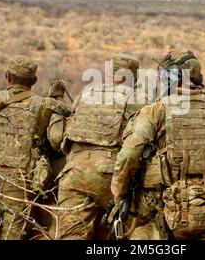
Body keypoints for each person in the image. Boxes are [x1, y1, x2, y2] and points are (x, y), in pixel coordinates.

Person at [111, 51, 205, 240]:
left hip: (165, 206)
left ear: (172, 77)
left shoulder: (155, 111)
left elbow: (129, 155)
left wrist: (119, 193)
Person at [0, 55, 69, 240]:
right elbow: (66, 113)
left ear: (7, 76)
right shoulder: (44, 104)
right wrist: (58, 96)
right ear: (34, 81)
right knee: (13, 232)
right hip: (19, 178)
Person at [52, 54, 147, 240]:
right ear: (134, 78)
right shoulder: (138, 99)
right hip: (111, 176)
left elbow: (61, 138)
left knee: (70, 235)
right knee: (141, 227)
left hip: (73, 174)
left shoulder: (85, 94)